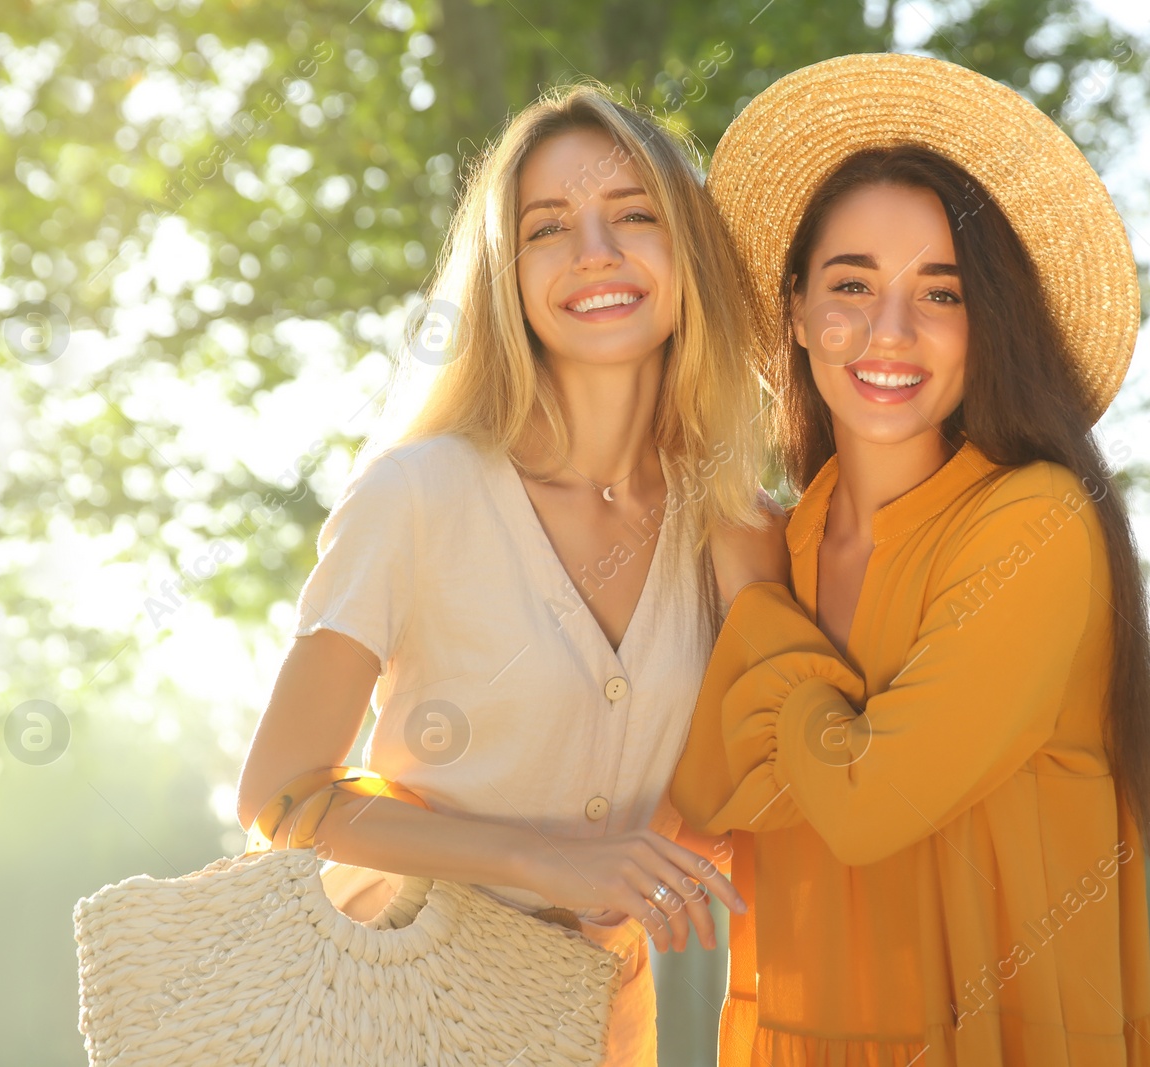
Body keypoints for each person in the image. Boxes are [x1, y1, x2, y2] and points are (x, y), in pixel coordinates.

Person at [235, 84, 786, 1066]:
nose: (596, 253)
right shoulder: (417, 492)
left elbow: (760, 779)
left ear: (686, 256)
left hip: (589, 1022)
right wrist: (545, 859)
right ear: (505, 270)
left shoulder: (729, 524)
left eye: (632, 217)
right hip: (382, 1006)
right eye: (548, 229)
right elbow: (279, 798)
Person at [672, 53, 1150, 1066]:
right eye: (850, 284)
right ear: (792, 310)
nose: (889, 330)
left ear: (983, 322)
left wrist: (751, 601)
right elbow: (702, 801)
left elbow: (873, 803)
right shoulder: (776, 537)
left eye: (940, 292)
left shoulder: (1033, 524)